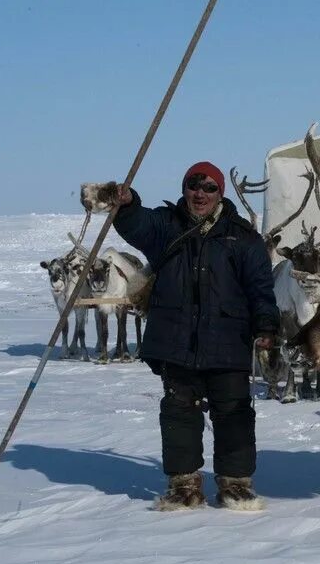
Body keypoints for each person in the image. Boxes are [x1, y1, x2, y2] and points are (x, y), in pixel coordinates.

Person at [108, 161, 279, 511]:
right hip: (177, 340)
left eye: (209, 187)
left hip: (227, 339)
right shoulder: (165, 225)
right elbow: (134, 222)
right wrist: (126, 203)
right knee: (179, 413)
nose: (199, 194)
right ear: (184, 188)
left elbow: (260, 287)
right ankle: (184, 484)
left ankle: (235, 484)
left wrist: (265, 325)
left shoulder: (242, 236)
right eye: (193, 185)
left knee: (233, 413)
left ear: (220, 193)